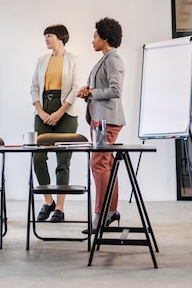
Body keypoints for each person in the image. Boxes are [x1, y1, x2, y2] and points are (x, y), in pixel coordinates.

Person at [30, 24, 83, 222]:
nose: (46, 39)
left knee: (63, 161)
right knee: (38, 157)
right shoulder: (41, 60)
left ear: (60, 37)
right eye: (45, 36)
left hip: (66, 113)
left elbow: (76, 88)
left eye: (49, 35)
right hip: (43, 109)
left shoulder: (73, 59)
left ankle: (60, 207)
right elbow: (34, 87)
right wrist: (41, 111)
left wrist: (59, 113)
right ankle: (48, 201)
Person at [77, 17, 125, 233]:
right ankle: (111, 211)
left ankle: (101, 214)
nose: (92, 40)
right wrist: (88, 92)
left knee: (98, 164)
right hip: (99, 120)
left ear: (105, 38)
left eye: (95, 36)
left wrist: (93, 93)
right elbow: (103, 87)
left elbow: (115, 91)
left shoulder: (113, 60)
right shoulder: (105, 59)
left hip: (107, 121)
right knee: (106, 164)